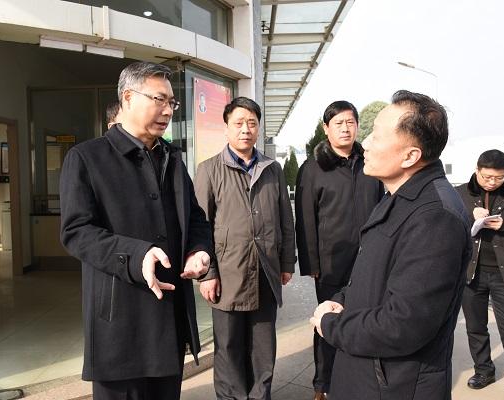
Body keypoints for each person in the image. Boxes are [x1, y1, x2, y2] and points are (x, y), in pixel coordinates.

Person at [60, 61, 213, 400]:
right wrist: (136, 255)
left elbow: (196, 219)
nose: (168, 110)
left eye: (172, 102)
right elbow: (76, 231)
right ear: (128, 98)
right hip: (119, 327)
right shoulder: (86, 158)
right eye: (159, 99)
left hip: (170, 322)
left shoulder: (172, 159)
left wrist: (199, 250)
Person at [309, 90, 472, 400]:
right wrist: (341, 300)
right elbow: (374, 276)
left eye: (377, 136)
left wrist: (332, 325)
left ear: (410, 156)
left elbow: (403, 324)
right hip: (367, 374)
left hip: (393, 385)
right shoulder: (398, 196)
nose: (366, 143)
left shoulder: (435, 217)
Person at [194, 96, 296, 400]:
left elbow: (285, 220)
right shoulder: (209, 169)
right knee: (229, 348)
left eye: (252, 123)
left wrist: (287, 263)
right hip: (228, 274)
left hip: (266, 272)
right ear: (226, 128)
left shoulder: (272, 169)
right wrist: (208, 274)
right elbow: (200, 226)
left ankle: (260, 396)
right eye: (238, 123)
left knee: (263, 348)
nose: (245, 130)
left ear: (258, 128)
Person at [295, 100, 383, 400]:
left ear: (357, 125)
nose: (345, 128)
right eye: (338, 123)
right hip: (331, 263)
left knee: (367, 319)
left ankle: (361, 381)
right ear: (326, 128)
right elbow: (305, 219)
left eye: (350, 122)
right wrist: (312, 264)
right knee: (328, 321)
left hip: (369, 259)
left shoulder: (370, 162)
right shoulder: (313, 168)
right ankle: (323, 384)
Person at [456, 149, 504, 399]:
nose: (492, 182)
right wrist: (469, 216)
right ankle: (484, 371)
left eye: (499, 178)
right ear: (477, 170)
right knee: (476, 327)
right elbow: (445, 223)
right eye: (487, 177)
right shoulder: (460, 193)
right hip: (471, 274)